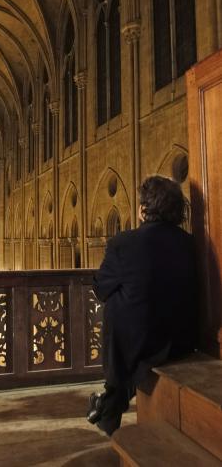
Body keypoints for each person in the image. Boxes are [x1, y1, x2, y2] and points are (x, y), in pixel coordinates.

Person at [87, 175, 198, 436]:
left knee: (116, 301)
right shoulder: (190, 243)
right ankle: (110, 401)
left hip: (142, 346)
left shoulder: (124, 243)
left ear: (142, 209)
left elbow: (100, 289)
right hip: (183, 342)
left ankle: (112, 397)